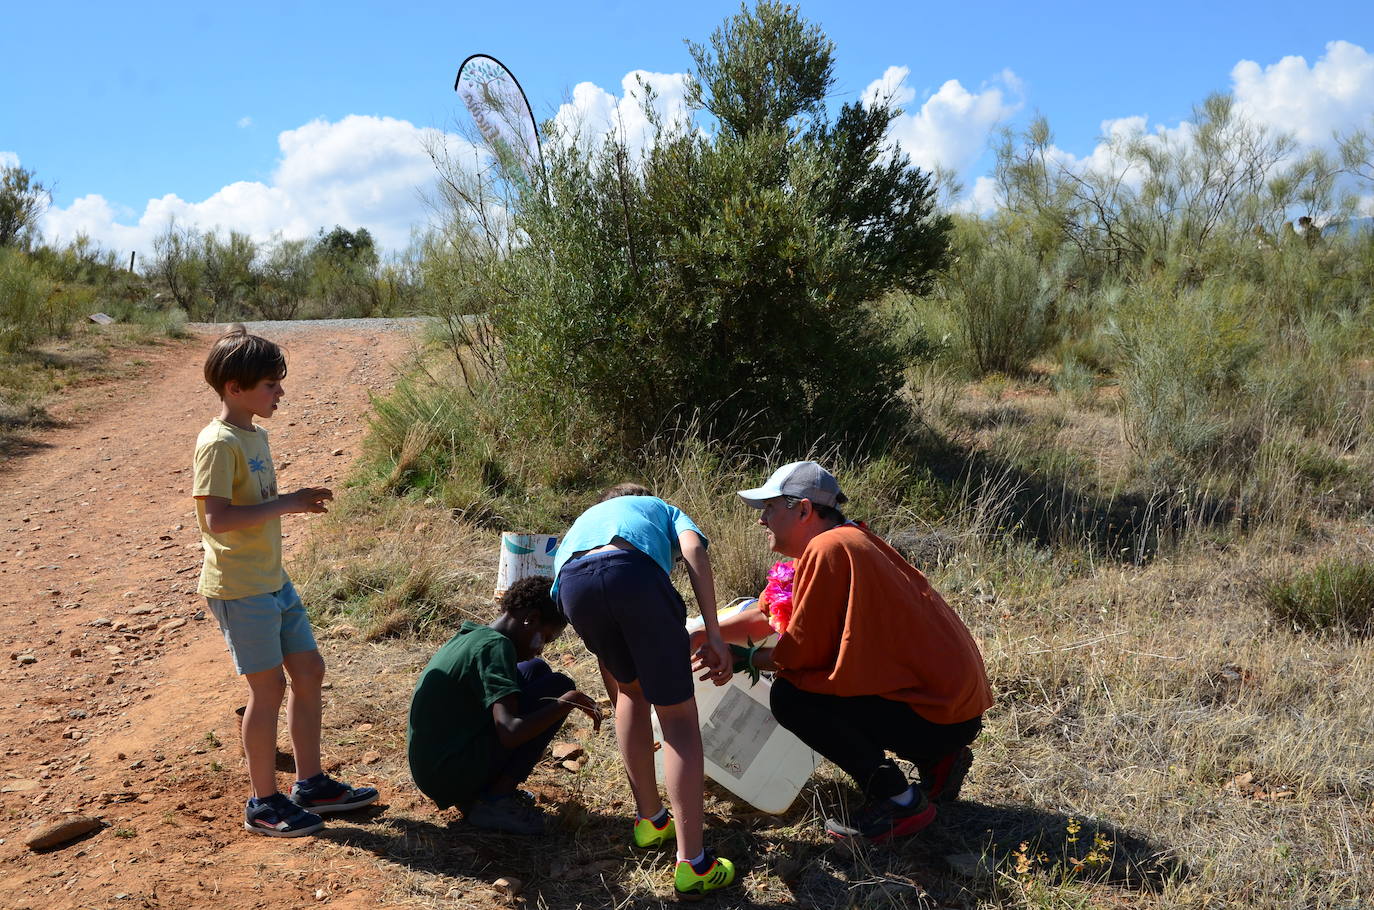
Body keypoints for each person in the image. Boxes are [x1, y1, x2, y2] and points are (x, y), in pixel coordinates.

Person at [722, 461, 992, 843]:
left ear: (803, 510)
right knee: (808, 687)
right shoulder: (844, 540)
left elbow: (801, 656)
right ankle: (938, 760)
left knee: (791, 696)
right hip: (951, 711)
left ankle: (898, 800)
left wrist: (745, 659)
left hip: (938, 716)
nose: (762, 520)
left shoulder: (829, 548)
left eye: (769, 508)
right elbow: (765, 615)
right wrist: (702, 637)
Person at [193, 325, 378, 837]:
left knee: (309, 669)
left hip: (273, 578)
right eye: (271, 385)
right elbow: (218, 519)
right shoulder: (217, 443)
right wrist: (289, 502)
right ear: (236, 387)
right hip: (239, 585)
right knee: (268, 687)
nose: (280, 393)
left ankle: (311, 785)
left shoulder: (254, 434)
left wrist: (287, 502)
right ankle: (264, 801)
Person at [552, 484, 738, 900]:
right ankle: (694, 865)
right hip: (632, 576)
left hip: (572, 585)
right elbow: (694, 553)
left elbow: (612, 677)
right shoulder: (661, 508)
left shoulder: (586, 523)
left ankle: (650, 821)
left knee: (632, 695)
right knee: (678, 720)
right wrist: (714, 634)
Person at [406, 575, 603, 834]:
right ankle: (495, 800)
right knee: (558, 687)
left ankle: (484, 794)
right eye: (545, 638)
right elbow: (511, 732)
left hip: (438, 766)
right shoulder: (496, 648)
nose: (541, 648)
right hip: (449, 774)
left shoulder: (477, 635)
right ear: (530, 619)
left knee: (535, 669)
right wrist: (568, 701)